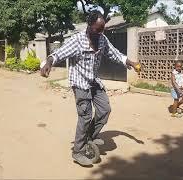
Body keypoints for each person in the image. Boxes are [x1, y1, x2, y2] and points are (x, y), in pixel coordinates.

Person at [40, 10, 141, 166]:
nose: (100, 32)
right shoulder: (77, 40)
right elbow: (58, 54)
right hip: (80, 83)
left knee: (104, 109)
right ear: (89, 25)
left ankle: (90, 137)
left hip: (93, 81)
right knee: (85, 116)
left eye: (102, 29)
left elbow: (115, 53)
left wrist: (132, 63)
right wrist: (48, 63)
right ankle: (78, 151)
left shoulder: (102, 39)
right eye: (97, 29)